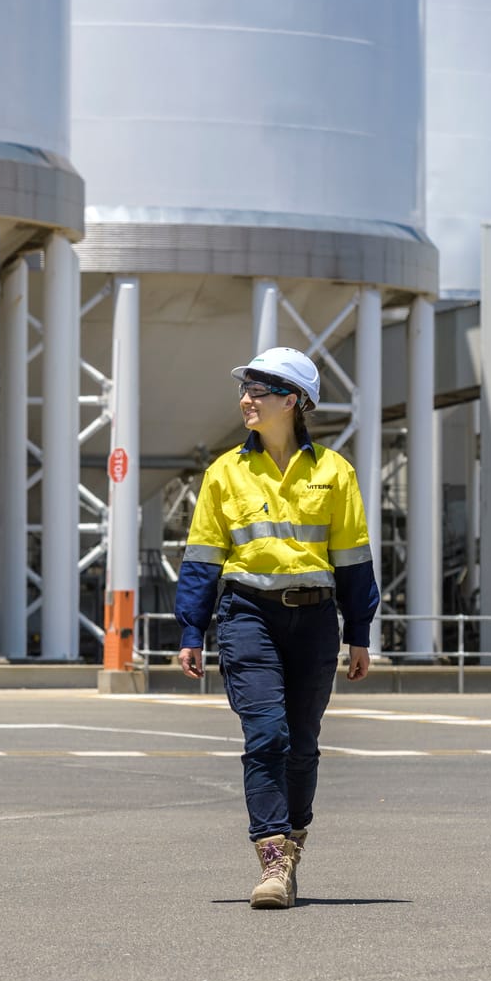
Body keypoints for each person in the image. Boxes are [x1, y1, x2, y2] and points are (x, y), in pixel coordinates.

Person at [175, 346, 377, 909]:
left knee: (303, 744)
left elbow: (354, 559)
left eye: (257, 391)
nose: (245, 400)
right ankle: (272, 860)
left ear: (292, 400)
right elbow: (201, 558)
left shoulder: (334, 472)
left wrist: (359, 633)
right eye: (244, 390)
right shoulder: (225, 472)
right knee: (266, 735)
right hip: (247, 615)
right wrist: (191, 630)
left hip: (315, 620)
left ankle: (292, 842)